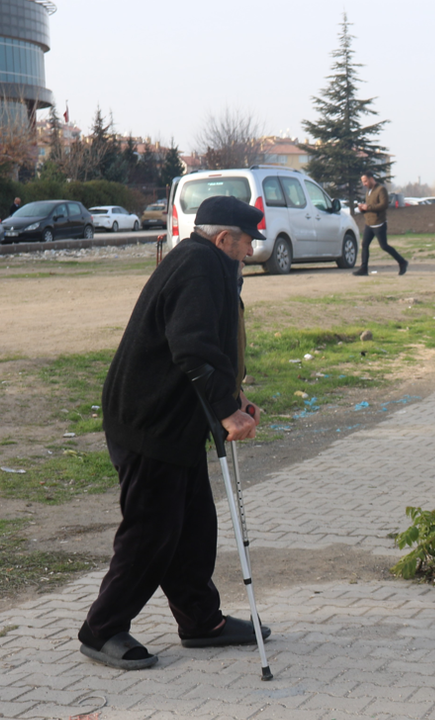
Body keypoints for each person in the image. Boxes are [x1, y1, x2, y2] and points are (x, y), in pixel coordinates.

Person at [78, 195, 270, 671]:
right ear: (224, 239)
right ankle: (101, 629)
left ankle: (201, 621)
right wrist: (226, 413)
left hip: (176, 423)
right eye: (247, 242)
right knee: (151, 531)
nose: (251, 250)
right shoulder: (198, 268)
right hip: (150, 422)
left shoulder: (209, 263)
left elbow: (214, 349)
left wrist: (234, 397)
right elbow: (192, 346)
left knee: (194, 527)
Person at [353, 171, 408, 276]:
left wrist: (368, 207)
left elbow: (383, 205)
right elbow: (369, 206)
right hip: (369, 223)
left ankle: (402, 262)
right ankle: (363, 269)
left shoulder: (381, 190)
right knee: (364, 245)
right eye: (363, 182)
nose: (364, 184)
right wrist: (362, 209)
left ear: (371, 179)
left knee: (384, 246)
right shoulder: (368, 191)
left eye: (365, 181)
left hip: (379, 223)